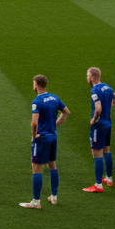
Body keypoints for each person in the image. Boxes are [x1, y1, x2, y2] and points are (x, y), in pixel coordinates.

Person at [21, 75, 69, 208]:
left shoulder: (37, 101)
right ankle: (54, 197)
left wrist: (33, 136)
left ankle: (36, 201)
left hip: (42, 138)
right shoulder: (54, 97)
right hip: (53, 136)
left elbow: (34, 123)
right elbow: (66, 112)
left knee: (37, 169)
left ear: (36, 84)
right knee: (52, 165)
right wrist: (54, 125)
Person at [83, 67, 115, 192]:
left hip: (99, 125)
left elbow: (98, 108)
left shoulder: (94, 90)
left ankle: (98, 185)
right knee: (107, 150)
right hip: (108, 123)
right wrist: (113, 103)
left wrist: (94, 119)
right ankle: (109, 178)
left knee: (97, 153)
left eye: (87, 75)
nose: (87, 78)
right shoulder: (107, 87)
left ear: (92, 77)